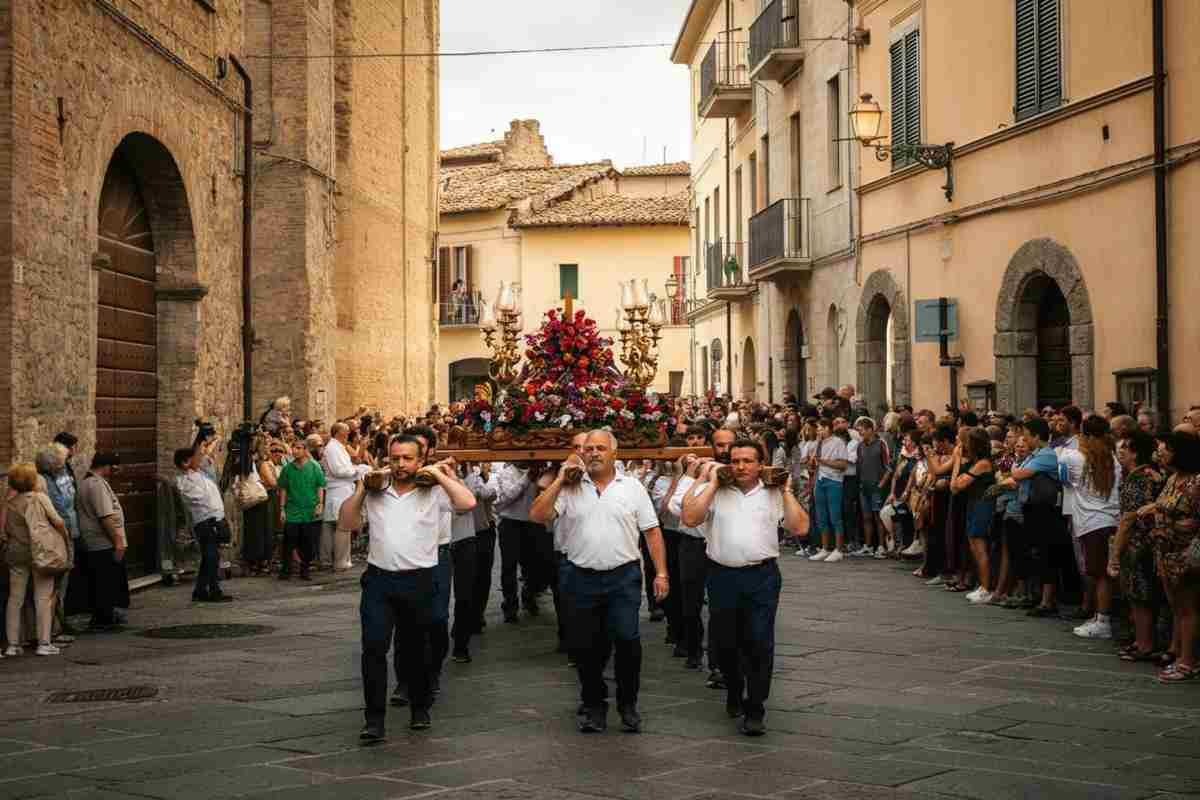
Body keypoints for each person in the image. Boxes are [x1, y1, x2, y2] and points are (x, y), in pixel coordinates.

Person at [530, 430, 668, 734]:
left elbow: (652, 531)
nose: (593, 453)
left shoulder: (631, 488)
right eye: (588, 449)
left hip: (623, 577)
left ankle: (628, 705)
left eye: (600, 448)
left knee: (627, 639)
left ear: (613, 453)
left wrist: (661, 573)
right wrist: (558, 481)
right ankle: (594, 706)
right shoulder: (570, 487)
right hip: (581, 576)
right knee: (586, 647)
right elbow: (538, 515)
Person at [343, 435, 476, 741]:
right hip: (379, 581)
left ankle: (420, 707)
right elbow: (347, 523)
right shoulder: (378, 490)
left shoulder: (434, 492)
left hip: (420, 580)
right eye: (395, 458)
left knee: (417, 650)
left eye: (407, 458)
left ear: (420, 461)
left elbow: (467, 503)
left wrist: (439, 474)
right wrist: (363, 487)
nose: (400, 464)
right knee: (373, 649)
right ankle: (374, 719)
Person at [681, 439, 809, 736]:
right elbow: (689, 518)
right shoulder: (716, 490)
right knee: (725, 643)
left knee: (759, 641)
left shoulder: (773, 492)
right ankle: (735, 688)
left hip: (761, 577)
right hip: (722, 575)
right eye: (735, 460)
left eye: (747, 461)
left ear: (760, 464)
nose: (740, 466)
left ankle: (755, 708)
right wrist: (712, 482)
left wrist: (786, 489)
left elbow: (800, 527)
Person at [1141, 431, 1200, 682]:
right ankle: (1180, 655)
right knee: (1177, 607)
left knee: (1188, 608)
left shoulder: (1196, 481)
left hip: (1187, 554)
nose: (1160, 452)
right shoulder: (1173, 478)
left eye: (1166, 448)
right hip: (1166, 552)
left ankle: (1187, 662)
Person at [1059, 415, 1121, 638]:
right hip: (1111, 519)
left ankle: (1103, 620)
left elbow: (1064, 479)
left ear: (1083, 435)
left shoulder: (1072, 457)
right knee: (1103, 571)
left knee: (1099, 573)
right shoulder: (1114, 458)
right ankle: (1099, 615)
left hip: (1090, 521)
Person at [1107, 430, 1165, 661]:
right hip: (1149, 542)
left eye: (1127, 448)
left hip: (1138, 544)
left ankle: (1144, 643)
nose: (1121, 451)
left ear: (1136, 453)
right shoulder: (1149, 475)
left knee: (1138, 595)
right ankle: (1142, 640)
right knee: (1142, 595)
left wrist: (1114, 554)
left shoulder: (1138, 478)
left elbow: (1128, 519)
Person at [2, 463, 70, 656]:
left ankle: (13, 645)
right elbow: (58, 521)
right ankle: (44, 642)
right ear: (33, 480)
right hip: (40, 553)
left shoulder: (10, 504)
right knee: (43, 597)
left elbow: (6, 530)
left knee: (15, 598)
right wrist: (63, 539)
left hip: (17, 553)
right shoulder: (40, 499)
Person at [173, 446, 234, 603]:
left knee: (210, 557)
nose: (200, 459)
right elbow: (201, 499)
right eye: (196, 457)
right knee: (211, 557)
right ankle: (213, 590)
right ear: (186, 462)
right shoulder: (183, 481)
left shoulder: (202, 475)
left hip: (216, 519)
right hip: (205, 522)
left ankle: (200, 590)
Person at [76, 452, 127, 630]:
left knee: (101, 580)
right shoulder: (96, 485)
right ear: (106, 467)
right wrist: (118, 541)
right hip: (102, 542)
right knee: (104, 581)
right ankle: (103, 618)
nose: (113, 472)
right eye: (113, 468)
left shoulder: (87, 483)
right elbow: (105, 516)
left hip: (96, 541)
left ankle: (103, 615)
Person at [37, 444, 79, 642]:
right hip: (59, 539)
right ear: (54, 465)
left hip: (65, 535)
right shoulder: (46, 482)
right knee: (55, 586)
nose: (64, 465)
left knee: (58, 586)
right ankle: (54, 629)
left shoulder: (56, 479)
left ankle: (57, 625)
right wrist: (66, 535)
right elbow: (59, 513)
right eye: (62, 462)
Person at [951, 428, 996, 604]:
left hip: (981, 505)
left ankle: (986, 587)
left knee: (979, 545)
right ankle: (982, 584)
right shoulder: (975, 463)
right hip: (974, 503)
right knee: (973, 545)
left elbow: (956, 486)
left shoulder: (982, 464)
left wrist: (956, 462)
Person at [277, 438, 326, 581]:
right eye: (294, 448)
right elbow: (284, 489)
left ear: (305, 450)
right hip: (292, 509)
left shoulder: (314, 466)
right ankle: (286, 569)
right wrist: (282, 509)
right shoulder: (287, 469)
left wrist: (320, 504)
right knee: (289, 540)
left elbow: (320, 486)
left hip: (309, 509)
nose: (295, 451)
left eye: (298, 448)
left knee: (307, 541)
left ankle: (305, 569)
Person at [809, 417, 849, 562]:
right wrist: (813, 462)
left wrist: (822, 461)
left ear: (828, 428)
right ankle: (825, 548)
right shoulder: (817, 443)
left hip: (834, 481)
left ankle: (838, 549)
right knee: (821, 517)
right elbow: (814, 463)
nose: (819, 431)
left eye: (821, 428)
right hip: (819, 481)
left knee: (835, 517)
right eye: (818, 428)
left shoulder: (838, 442)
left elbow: (843, 464)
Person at [321, 422, 359, 571]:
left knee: (339, 525)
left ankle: (339, 559)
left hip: (342, 488)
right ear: (338, 433)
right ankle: (339, 560)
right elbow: (338, 470)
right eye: (346, 431)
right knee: (341, 526)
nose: (349, 433)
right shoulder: (332, 448)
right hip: (338, 489)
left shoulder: (337, 447)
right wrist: (356, 471)